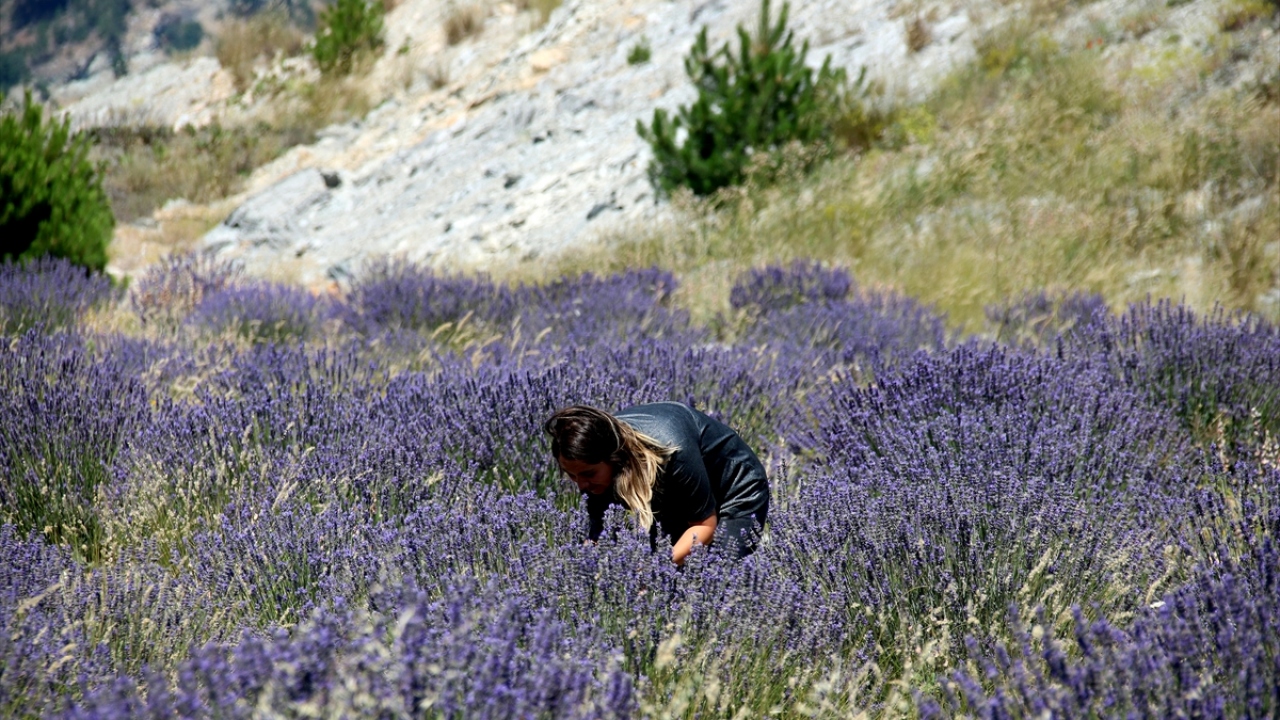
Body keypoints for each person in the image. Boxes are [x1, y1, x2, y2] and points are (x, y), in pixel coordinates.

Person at [544, 402, 770, 564]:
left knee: (718, 574)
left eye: (588, 474)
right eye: (572, 476)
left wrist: (655, 572)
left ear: (615, 458)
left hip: (735, 489)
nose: (581, 486)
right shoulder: (599, 461)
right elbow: (598, 534)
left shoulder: (673, 451)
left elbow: (703, 525)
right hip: (677, 489)